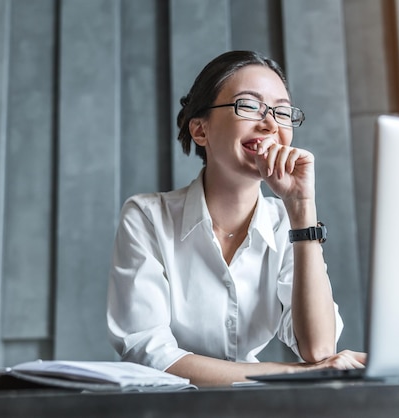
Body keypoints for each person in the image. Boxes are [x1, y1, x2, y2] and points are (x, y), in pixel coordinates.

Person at [107, 50, 366, 386]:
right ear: (200, 131)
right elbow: (151, 355)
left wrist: (302, 207)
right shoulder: (146, 218)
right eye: (249, 105)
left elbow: (318, 348)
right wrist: (292, 374)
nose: (271, 123)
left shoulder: (287, 224)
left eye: (282, 111)